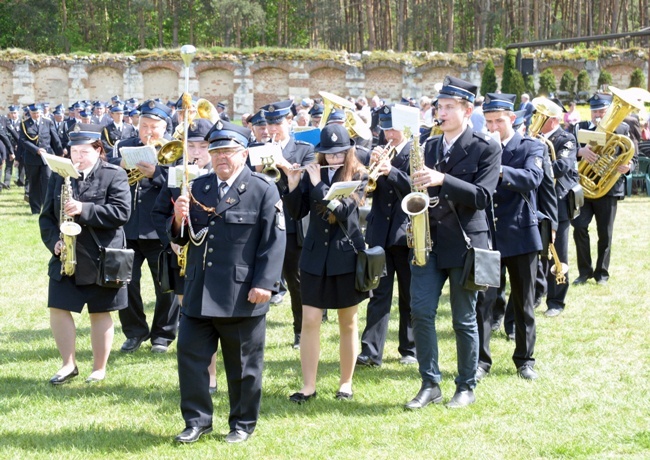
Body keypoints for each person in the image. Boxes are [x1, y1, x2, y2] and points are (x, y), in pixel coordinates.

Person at [170, 121, 285, 444]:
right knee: (191, 360)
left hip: (241, 293)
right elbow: (184, 238)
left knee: (243, 366)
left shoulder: (263, 189)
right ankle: (197, 421)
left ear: (244, 154)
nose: (221, 158)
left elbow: (274, 241)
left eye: (228, 152)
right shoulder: (199, 186)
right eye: (216, 151)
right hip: (198, 290)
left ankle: (242, 423)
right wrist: (178, 218)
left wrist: (265, 283)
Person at [405, 76, 500, 410]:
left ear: (467, 110)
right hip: (427, 240)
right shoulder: (429, 146)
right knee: (421, 312)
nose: (440, 113)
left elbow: (483, 196)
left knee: (463, 317)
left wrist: (444, 179)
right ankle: (430, 384)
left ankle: (466, 385)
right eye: (438, 106)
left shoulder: (486, 147)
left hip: (465, 244)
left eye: (448, 107)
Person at [283, 124, 369, 403]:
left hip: (345, 256)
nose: (333, 159)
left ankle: (346, 383)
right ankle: (308, 385)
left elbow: (343, 211)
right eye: (328, 154)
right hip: (314, 256)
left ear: (348, 151)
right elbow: (297, 212)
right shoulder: (312, 172)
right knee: (310, 320)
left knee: (348, 322)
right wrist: (295, 183)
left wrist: (318, 184)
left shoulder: (359, 174)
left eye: (339, 154)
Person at [39, 128, 131, 384]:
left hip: (102, 254)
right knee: (58, 306)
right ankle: (68, 365)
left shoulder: (115, 174)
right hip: (67, 253)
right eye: (74, 151)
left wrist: (84, 209)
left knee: (100, 311)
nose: (77, 156)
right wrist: (54, 243)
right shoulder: (61, 176)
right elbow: (46, 217)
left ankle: (98, 368)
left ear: (99, 150)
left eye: (84, 151)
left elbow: (122, 213)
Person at [477, 93, 544, 382]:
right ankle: (481, 361)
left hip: (520, 234)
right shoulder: (480, 148)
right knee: (484, 302)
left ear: (512, 119)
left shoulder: (531, 146)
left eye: (499, 121)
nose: (493, 127)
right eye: (489, 121)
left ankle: (525, 360)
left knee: (524, 302)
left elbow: (532, 178)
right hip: (488, 235)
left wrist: (498, 168)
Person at [151, 118, 219, 393]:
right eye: (191, 145)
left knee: (210, 319)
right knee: (189, 316)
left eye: (203, 145)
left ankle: (212, 376)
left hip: (214, 258)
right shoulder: (176, 174)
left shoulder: (222, 174)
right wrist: (173, 238)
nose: (197, 151)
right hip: (183, 258)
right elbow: (159, 214)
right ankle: (197, 377)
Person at [109, 100, 179, 354]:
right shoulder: (125, 146)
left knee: (166, 285)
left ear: (165, 128)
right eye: (143, 126)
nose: (148, 131)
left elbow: (182, 184)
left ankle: (163, 335)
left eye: (154, 126)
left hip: (159, 228)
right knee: (124, 281)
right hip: (127, 227)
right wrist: (118, 167)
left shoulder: (175, 150)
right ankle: (134, 332)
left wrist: (156, 175)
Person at [357, 106, 416, 368]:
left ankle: (409, 348)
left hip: (406, 234)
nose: (388, 134)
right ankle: (371, 351)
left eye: (392, 128)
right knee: (378, 292)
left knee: (409, 293)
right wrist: (370, 169)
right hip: (380, 232)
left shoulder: (415, 152)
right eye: (385, 129)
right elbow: (365, 191)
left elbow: (415, 188)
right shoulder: (378, 153)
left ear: (404, 128)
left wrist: (390, 170)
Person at [262, 99, 315, 348]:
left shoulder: (304, 149)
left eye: (278, 124)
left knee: (296, 281)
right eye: (269, 124)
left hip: (292, 221)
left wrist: (282, 164)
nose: (272, 129)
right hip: (262, 221)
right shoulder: (257, 148)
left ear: (290, 122)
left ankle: (300, 331)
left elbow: (306, 182)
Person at [572, 93, 635, 285]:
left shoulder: (623, 128)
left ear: (609, 110)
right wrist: (579, 151)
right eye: (595, 111)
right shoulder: (579, 128)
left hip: (608, 188)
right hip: (583, 188)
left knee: (605, 233)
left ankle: (602, 273)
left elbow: (634, 159)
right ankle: (584, 272)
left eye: (602, 111)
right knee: (579, 227)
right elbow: (565, 152)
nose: (598, 114)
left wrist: (628, 166)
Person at [533, 97, 579, 317]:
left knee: (557, 253)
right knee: (536, 252)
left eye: (540, 117)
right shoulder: (533, 138)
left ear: (551, 120)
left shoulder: (566, 138)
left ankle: (556, 301)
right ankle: (535, 295)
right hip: (536, 202)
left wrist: (536, 164)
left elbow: (561, 166)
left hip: (558, 204)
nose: (536, 121)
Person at [18, 103, 64, 214]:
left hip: (47, 158)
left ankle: (47, 207)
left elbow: (54, 139)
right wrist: (36, 150)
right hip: (32, 158)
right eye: (33, 113)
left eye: (38, 113)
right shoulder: (24, 124)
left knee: (48, 181)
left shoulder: (48, 122)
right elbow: (23, 141)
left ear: (41, 112)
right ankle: (35, 209)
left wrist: (60, 153)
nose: (36, 115)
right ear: (30, 113)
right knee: (34, 183)